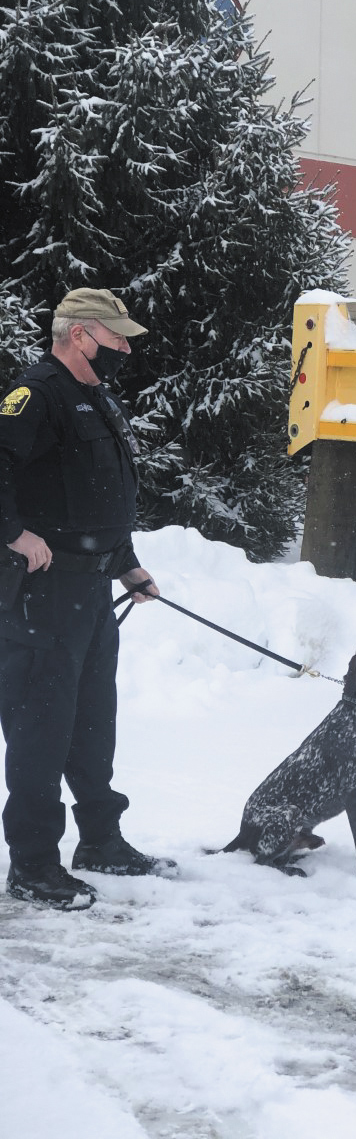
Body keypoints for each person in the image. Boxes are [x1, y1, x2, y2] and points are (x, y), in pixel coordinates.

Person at [0, 288, 176, 910]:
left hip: (92, 591)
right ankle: (33, 865)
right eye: (117, 338)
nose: (126, 349)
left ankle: (100, 840)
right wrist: (14, 534)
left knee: (93, 723)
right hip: (41, 596)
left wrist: (125, 566)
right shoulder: (36, 396)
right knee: (41, 730)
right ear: (80, 335)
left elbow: (103, 493)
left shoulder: (94, 399)